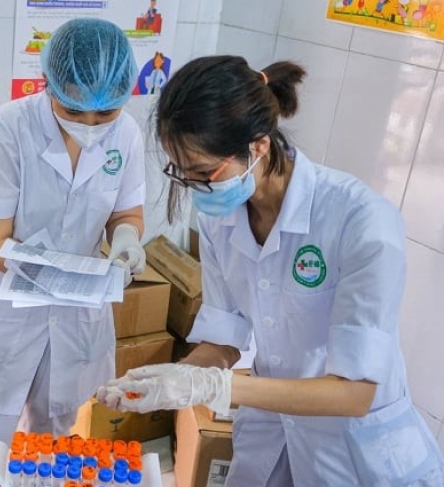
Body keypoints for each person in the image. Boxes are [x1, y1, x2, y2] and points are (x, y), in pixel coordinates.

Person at [97, 55, 444, 486]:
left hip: (353, 449)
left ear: (258, 146)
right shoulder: (221, 218)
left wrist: (215, 388)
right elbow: (225, 336)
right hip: (272, 433)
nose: (196, 188)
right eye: (182, 174)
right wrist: (173, 376)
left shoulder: (359, 220)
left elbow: (355, 392)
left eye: (203, 172)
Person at [0, 17, 147, 467]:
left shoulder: (127, 134)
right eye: (74, 111)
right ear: (48, 83)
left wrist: (126, 239)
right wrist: (65, 277)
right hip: (4, 313)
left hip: (76, 317)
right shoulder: (5, 130)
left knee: (53, 441)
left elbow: (127, 212)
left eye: (105, 114)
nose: (91, 124)